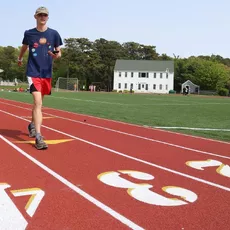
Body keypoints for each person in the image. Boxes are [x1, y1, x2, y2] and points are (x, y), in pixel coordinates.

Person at [18, 6, 63, 150]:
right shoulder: (29, 33)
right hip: (33, 71)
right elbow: (24, 47)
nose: (43, 17)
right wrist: (19, 58)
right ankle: (38, 136)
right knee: (37, 102)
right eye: (40, 15)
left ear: (47, 17)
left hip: (46, 73)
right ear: (35, 17)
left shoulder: (54, 34)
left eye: (45, 15)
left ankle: (32, 124)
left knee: (39, 103)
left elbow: (59, 51)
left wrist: (57, 55)